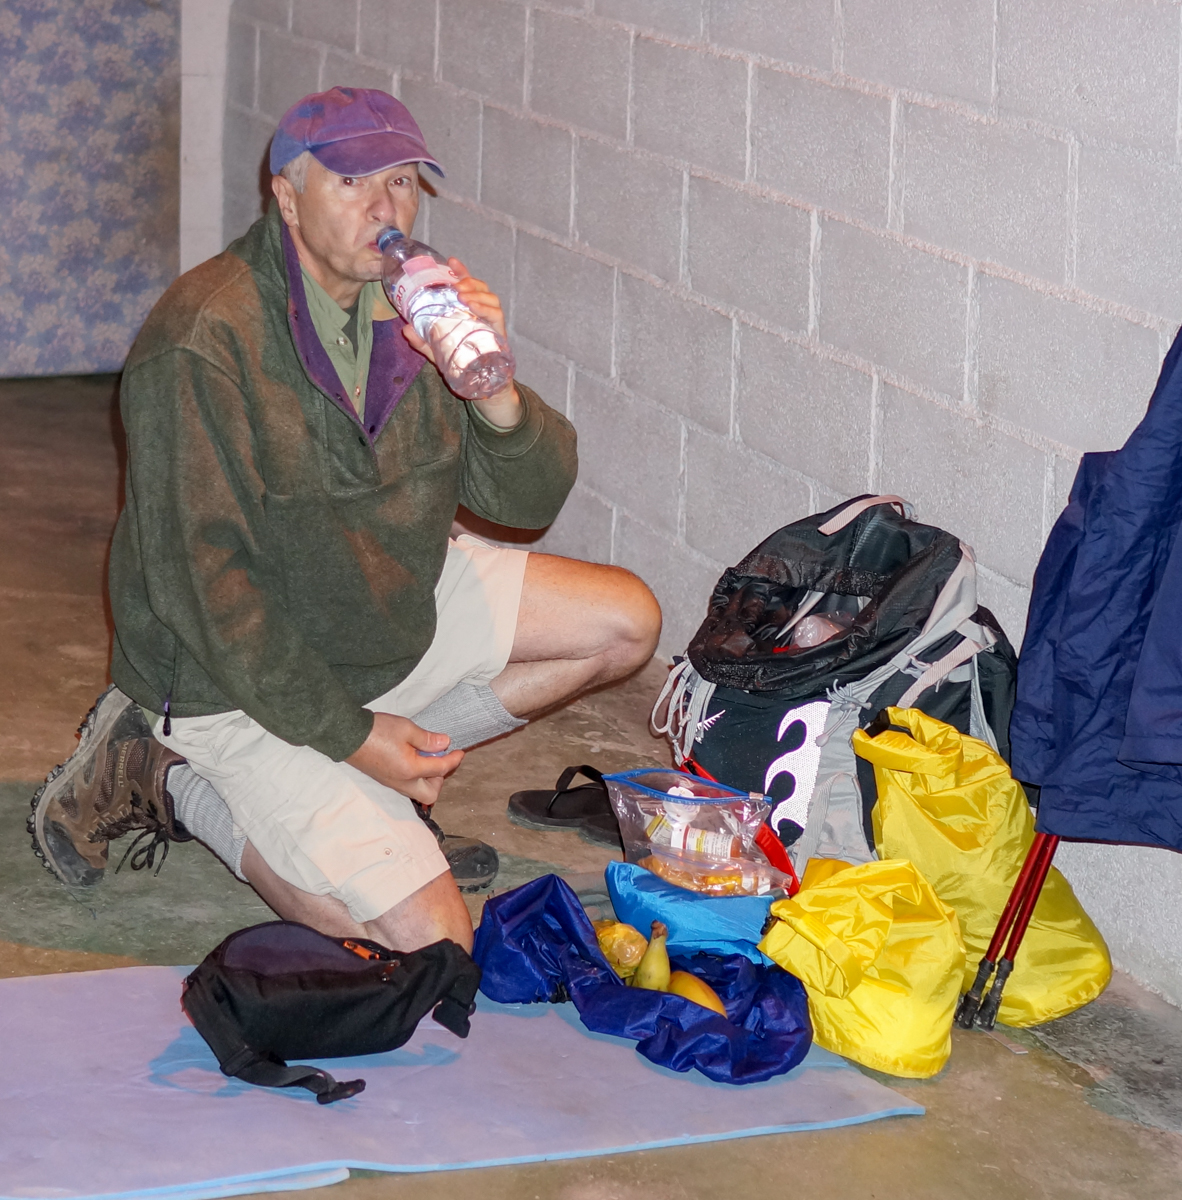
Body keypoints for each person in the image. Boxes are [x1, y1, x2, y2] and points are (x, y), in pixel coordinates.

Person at [28, 87, 660, 955]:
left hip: (374, 614)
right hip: (227, 680)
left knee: (625, 623)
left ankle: (367, 787)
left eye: (401, 181)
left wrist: (495, 389)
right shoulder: (205, 340)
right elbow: (208, 592)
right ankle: (166, 774)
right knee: (429, 947)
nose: (385, 208)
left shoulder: (416, 310)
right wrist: (356, 740)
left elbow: (525, 504)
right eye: (354, 181)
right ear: (287, 198)